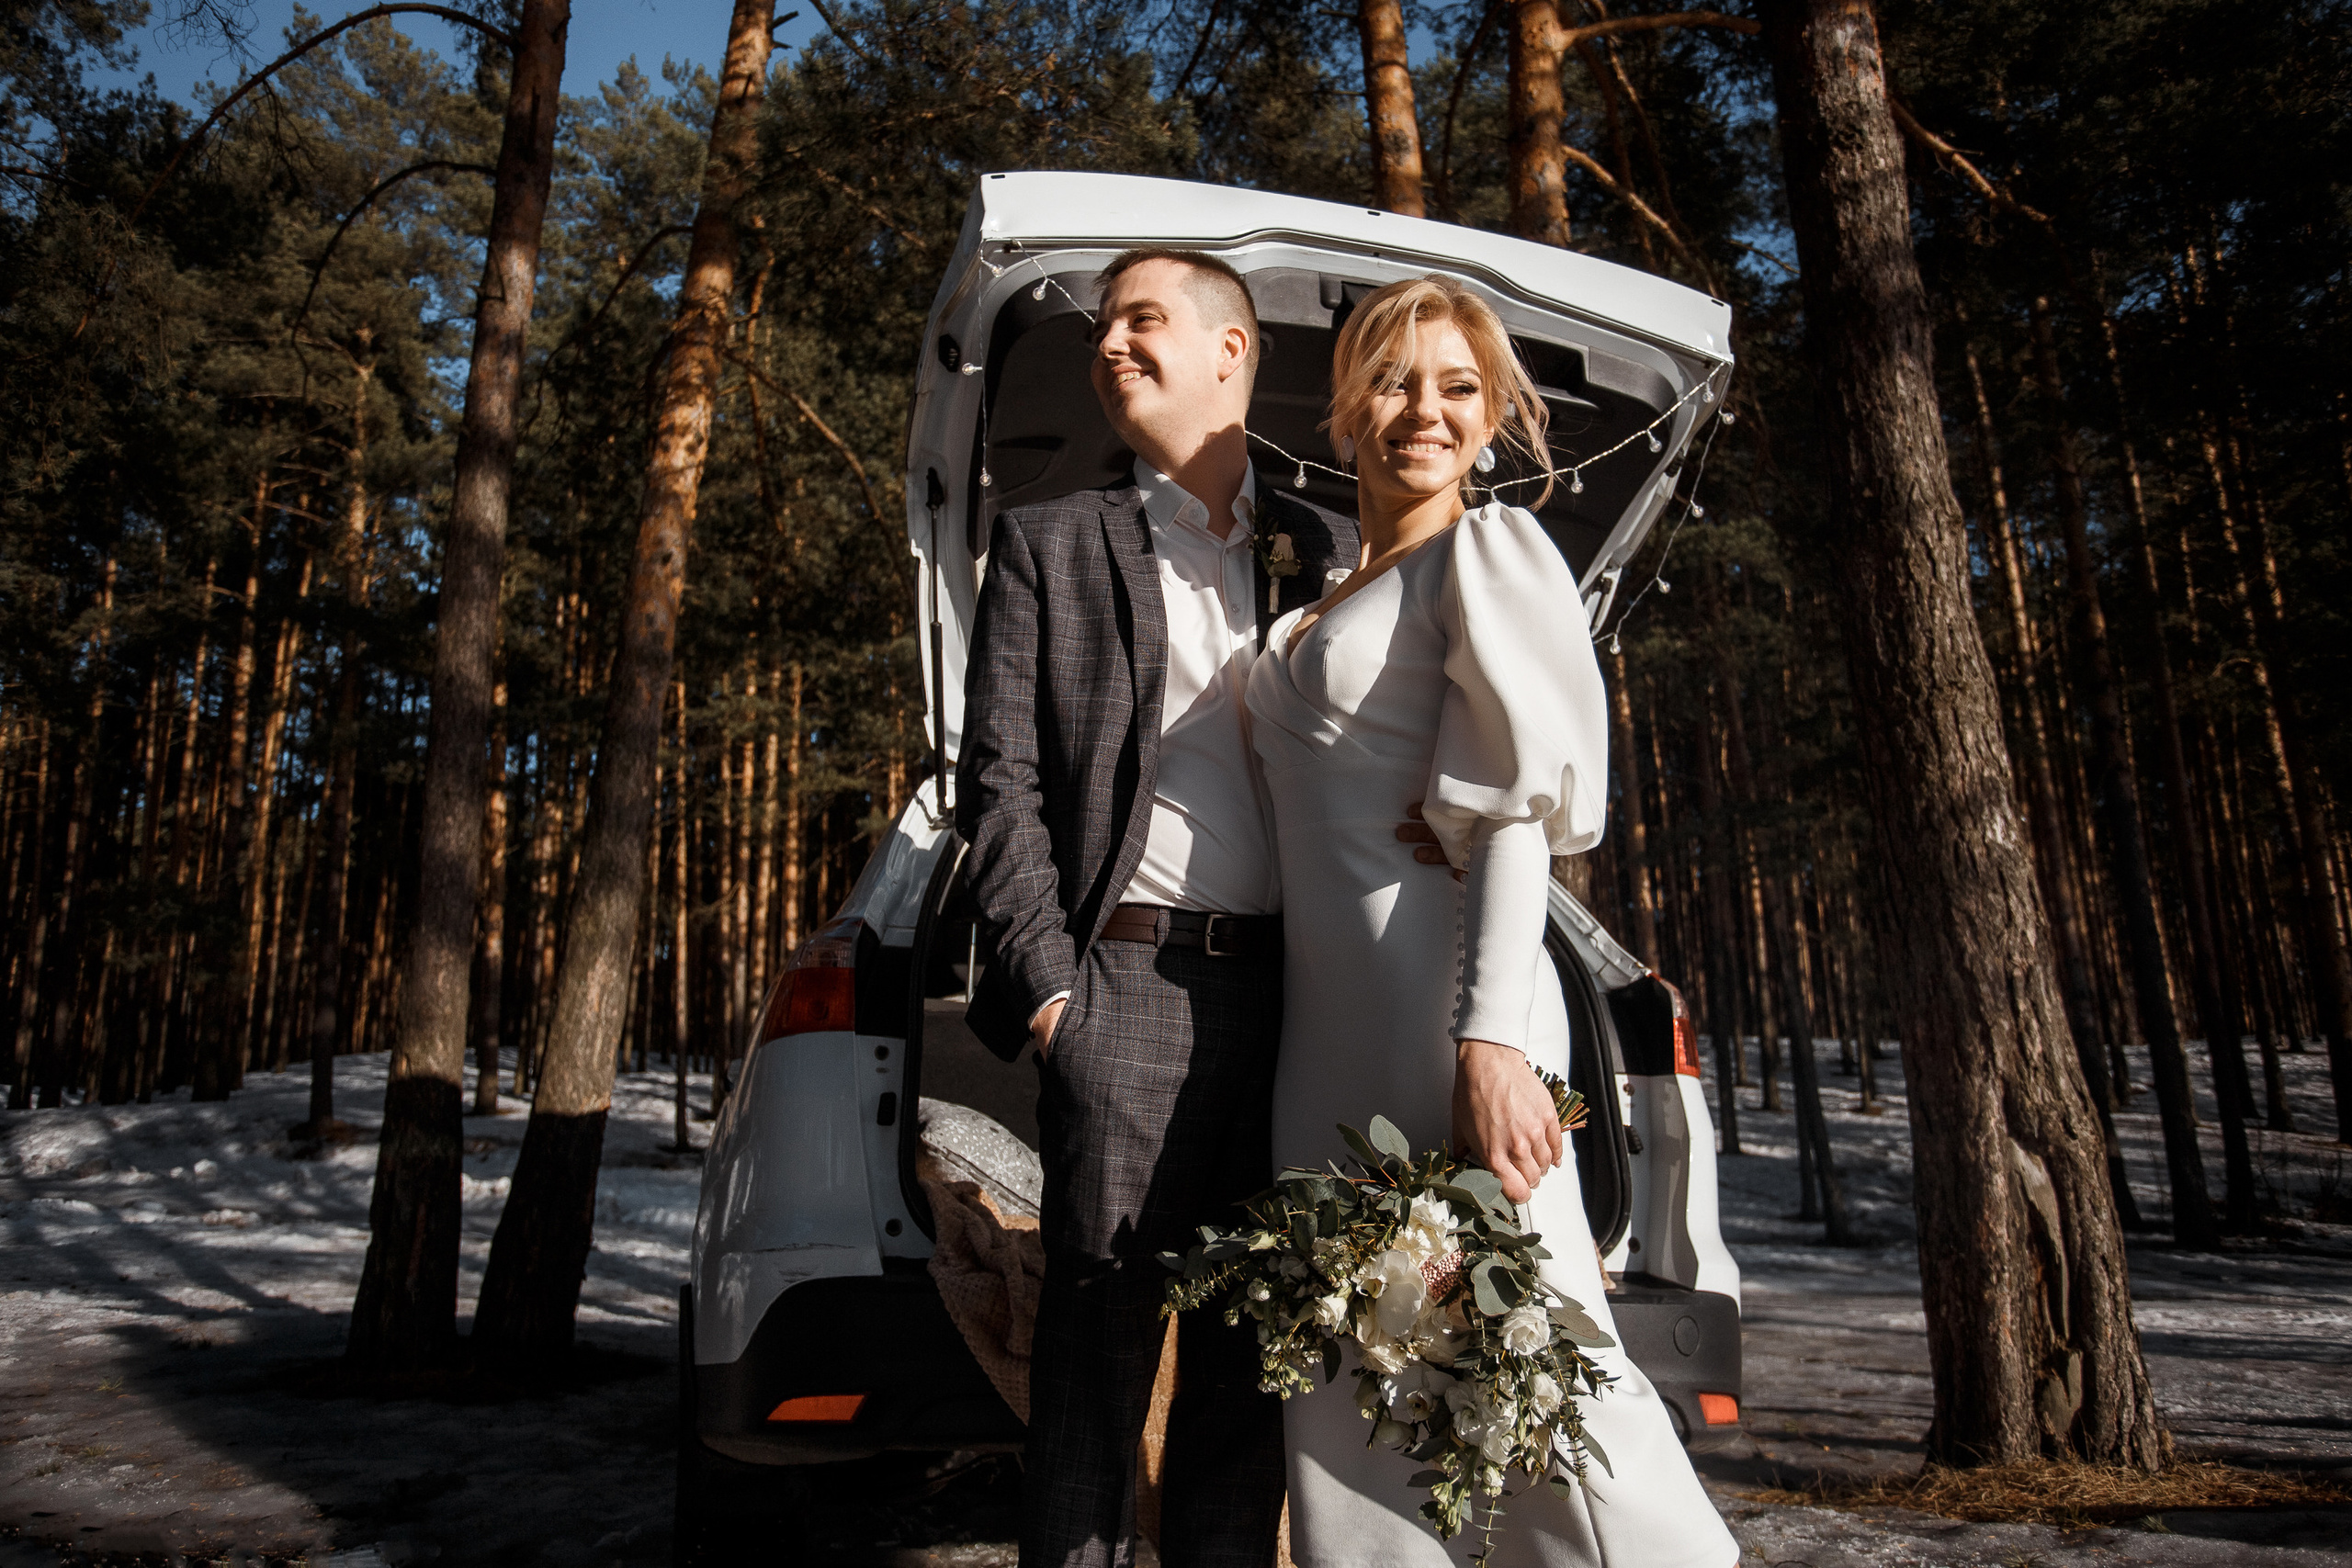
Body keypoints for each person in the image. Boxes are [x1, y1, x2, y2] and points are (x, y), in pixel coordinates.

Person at [1247, 275, 1739, 1566]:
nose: (1426, 411)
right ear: (1346, 403)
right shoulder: (1308, 607)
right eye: (1397, 381)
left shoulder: (1493, 552)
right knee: (1355, 1385)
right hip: (1324, 1048)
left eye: (1459, 387)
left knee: (1540, 1371)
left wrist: (1489, 1044)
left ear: (1497, 414)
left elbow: (1521, 814)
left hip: (1458, 1017)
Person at [955, 248, 1359, 1568]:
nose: (1110, 346)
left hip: (1304, 1011)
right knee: (1095, 1376)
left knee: (1252, 1383)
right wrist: (1054, 997)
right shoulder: (1049, 541)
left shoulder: (1329, 544)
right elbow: (999, 786)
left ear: (1233, 352)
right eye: (1102, 331)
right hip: (1122, 993)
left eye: (1143, 321)